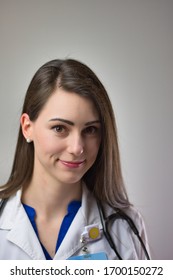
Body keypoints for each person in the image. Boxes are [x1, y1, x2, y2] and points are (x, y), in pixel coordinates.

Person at [0, 59, 150, 260]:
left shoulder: (125, 227)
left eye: (90, 130)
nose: (77, 148)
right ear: (27, 127)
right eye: (60, 128)